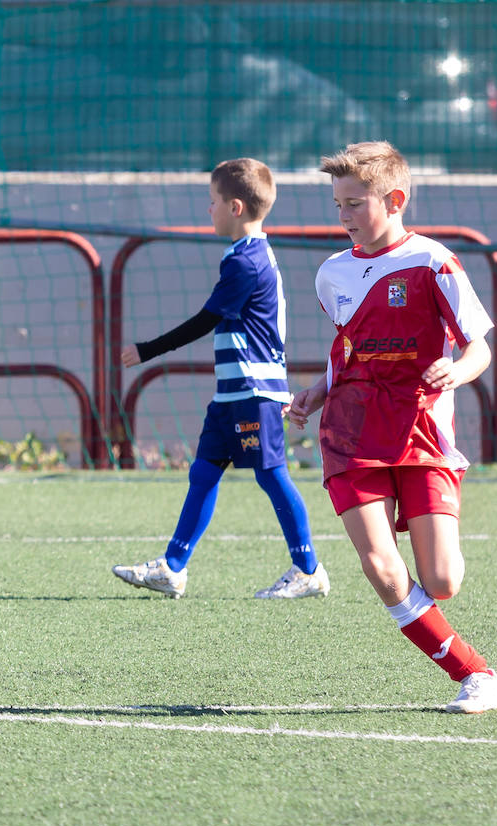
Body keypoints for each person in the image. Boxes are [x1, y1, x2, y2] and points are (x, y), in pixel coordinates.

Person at [286, 141, 497, 713]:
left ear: (395, 199)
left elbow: (478, 348)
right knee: (382, 569)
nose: (344, 216)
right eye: (338, 205)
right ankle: (473, 673)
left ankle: (433, 618)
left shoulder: (434, 263)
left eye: (354, 203)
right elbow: (348, 348)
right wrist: (318, 389)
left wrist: (454, 372)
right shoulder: (332, 274)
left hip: (422, 430)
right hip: (352, 432)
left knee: (443, 578)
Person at [111, 158, 329, 600]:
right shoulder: (240, 256)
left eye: (211, 202)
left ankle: (308, 569)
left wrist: (147, 350)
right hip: (232, 393)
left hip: (255, 392)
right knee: (204, 472)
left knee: (271, 475)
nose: (206, 209)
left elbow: (206, 319)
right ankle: (172, 568)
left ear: (234, 207)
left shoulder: (247, 263)